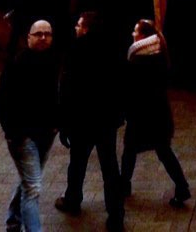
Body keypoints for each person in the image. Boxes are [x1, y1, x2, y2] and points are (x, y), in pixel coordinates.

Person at [56, 12, 125, 231]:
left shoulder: (75, 50)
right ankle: (115, 215)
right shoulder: (113, 48)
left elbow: (67, 89)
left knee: (77, 163)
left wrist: (64, 124)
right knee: (110, 168)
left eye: (78, 25)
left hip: (81, 119)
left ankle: (73, 200)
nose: (76, 28)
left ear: (85, 29)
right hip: (106, 119)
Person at [0, 19, 60, 232]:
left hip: (45, 134)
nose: (43, 38)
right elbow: (1, 104)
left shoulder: (52, 62)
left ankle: (13, 219)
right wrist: (14, 133)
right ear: (28, 37)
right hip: (24, 137)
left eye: (47, 34)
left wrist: (56, 123)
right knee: (33, 187)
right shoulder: (16, 64)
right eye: (38, 34)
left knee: (28, 180)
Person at [121, 19, 191, 209]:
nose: (132, 34)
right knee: (162, 151)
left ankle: (124, 185)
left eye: (135, 31)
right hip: (159, 115)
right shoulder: (160, 56)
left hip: (142, 116)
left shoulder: (137, 60)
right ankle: (182, 187)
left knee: (130, 150)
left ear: (143, 36)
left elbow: (131, 90)